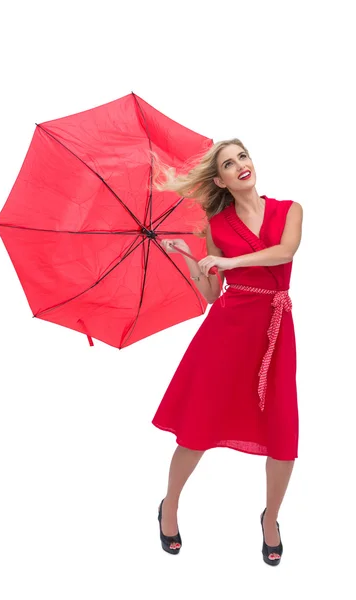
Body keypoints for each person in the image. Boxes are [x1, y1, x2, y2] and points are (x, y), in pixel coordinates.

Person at [152, 138, 303, 566]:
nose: (240, 165)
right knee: (198, 427)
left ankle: (270, 519)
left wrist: (233, 263)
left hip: (273, 331)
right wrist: (189, 257)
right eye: (228, 164)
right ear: (219, 179)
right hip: (227, 332)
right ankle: (169, 506)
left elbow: (285, 251)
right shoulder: (216, 227)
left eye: (243, 157)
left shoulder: (289, 210)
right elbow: (211, 293)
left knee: (282, 433)